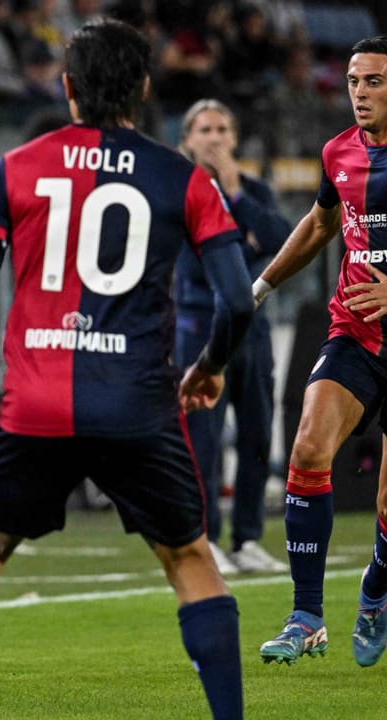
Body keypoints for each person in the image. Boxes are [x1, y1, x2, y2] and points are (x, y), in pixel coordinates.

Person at [0, 19, 253, 720]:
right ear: (145, 89)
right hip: (136, 405)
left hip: (34, 403)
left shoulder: (16, 167)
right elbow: (239, 302)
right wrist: (210, 365)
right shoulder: (182, 179)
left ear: (67, 88)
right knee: (189, 559)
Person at [257, 34, 387, 667]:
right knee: (308, 447)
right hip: (355, 334)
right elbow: (318, 225)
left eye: (375, 82)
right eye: (356, 82)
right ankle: (307, 615)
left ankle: (375, 588)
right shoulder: (339, 153)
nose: (361, 93)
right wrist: (259, 288)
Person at [174, 99, 292, 575]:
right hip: (200, 326)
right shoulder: (176, 191)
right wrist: (245, 241)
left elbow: (284, 242)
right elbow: (195, 259)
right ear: (187, 140)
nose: (215, 137)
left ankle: (247, 538)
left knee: (257, 434)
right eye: (204, 129)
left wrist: (236, 194)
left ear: (235, 138)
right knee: (202, 438)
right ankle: (204, 538)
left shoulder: (253, 190)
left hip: (253, 326)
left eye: (223, 128)